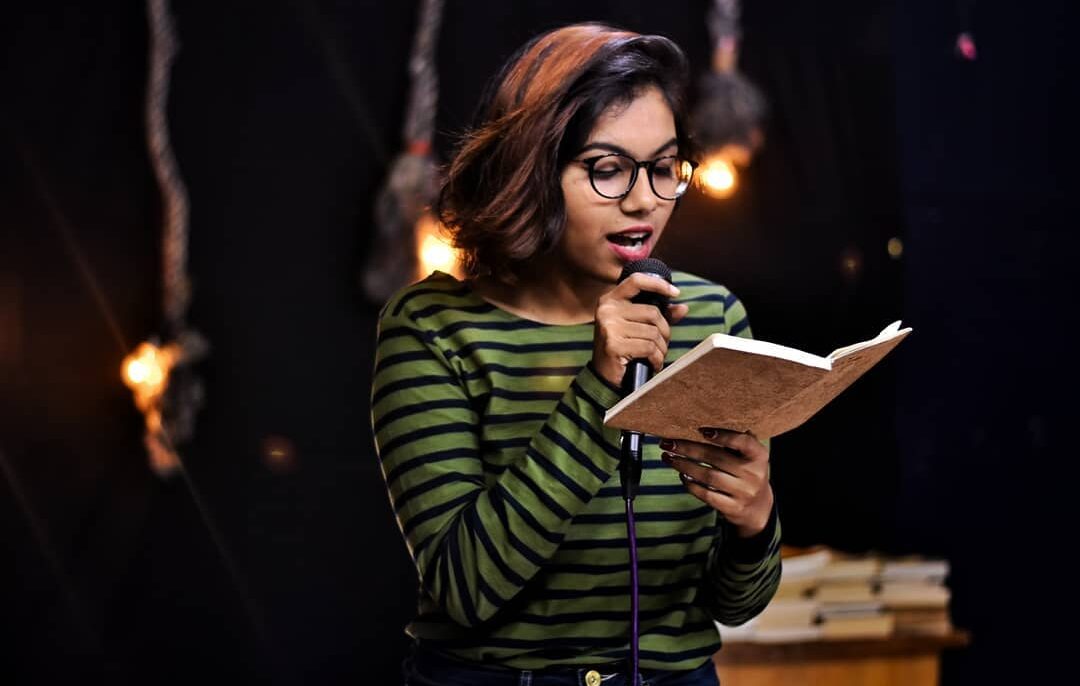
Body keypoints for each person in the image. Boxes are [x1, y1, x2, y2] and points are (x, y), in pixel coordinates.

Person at [371, 22, 780, 686]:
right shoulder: (433, 329)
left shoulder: (713, 319)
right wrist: (598, 388)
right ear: (530, 167)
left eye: (664, 168)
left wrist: (755, 522)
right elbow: (467, 589)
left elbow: (736, 606)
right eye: (607, 170)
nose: (644, 200)